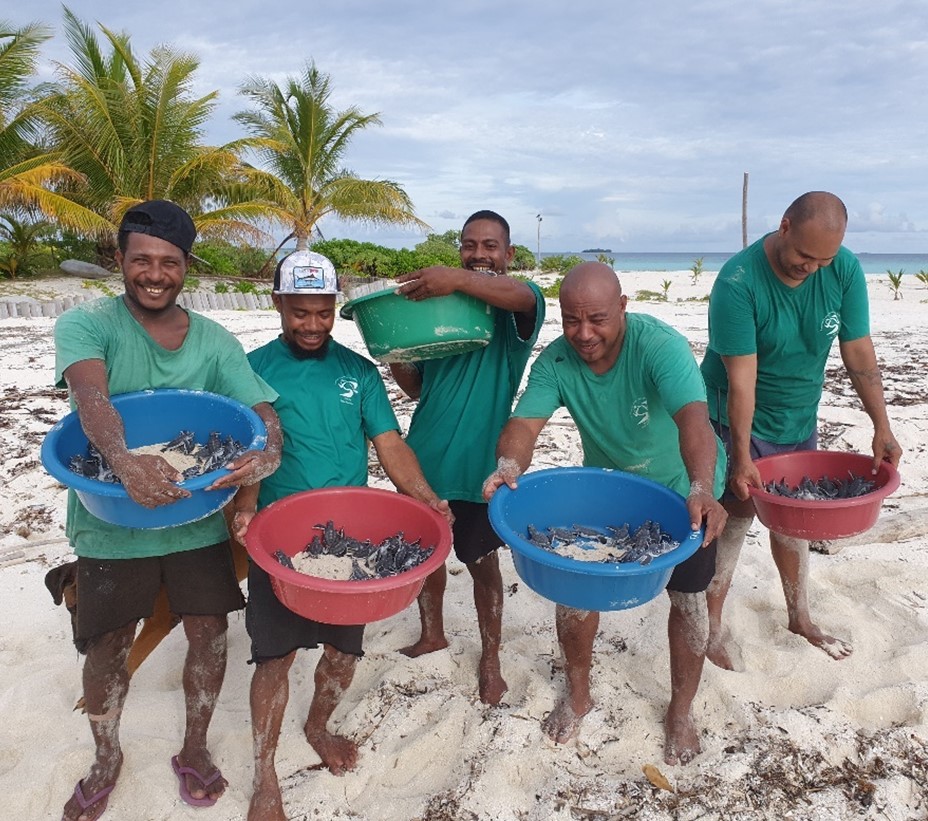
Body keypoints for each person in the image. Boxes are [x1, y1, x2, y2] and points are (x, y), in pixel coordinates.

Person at [55, 200, 282, 821]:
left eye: (169, 263)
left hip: (193, 516)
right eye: (141, 260)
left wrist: (268, 451)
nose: (154, 274)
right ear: (121, 261)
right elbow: (91, 396)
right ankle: (105, 757)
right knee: (106, 644)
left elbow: (260, 414)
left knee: (209, 633)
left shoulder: (213, 341)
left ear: (187, 267)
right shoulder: (88, 322)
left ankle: (195, 746)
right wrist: (125, 459)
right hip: (111, 519)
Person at [231, 250, 453, 821]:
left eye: (322, 313)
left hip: (349, 546)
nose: (311, 325)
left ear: (336, 309)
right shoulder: (252, 371)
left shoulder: (358, 372)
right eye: (298, 312)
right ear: (278, 304)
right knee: (273, 660)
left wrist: (424, 497)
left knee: (342, 653)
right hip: (279, 542)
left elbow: (390, 444)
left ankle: (319, 724)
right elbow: (248, 453)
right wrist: (245, 509)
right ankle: (264, 774)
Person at [483, 262, 728, 765]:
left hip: (685, 494)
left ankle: (680, 712)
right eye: (571, 320)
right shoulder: (555, 362)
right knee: (574, 595)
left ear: (623, 307)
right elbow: (524, 425)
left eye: (597, 318)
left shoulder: (658, 346)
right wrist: (509, 463)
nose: (584, 333)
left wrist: (702, 488)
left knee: (689, 604)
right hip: (610, 496)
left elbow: (694, 421)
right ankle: (577, 694)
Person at [701, 191, 903, 669]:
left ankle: (799, 616)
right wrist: (741, 455)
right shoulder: (738, 282)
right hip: (734, 414)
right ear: (784, 226)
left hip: (798, 416)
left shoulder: (844, 270)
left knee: (796, 518)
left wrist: (883, 424)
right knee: (734, 519)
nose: (810, 268)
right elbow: (741, 379)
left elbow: (857, 351)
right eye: (802, 256)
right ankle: (711, 628)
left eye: (823, 260)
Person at [387, 210, 545, 705]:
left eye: (490, 246)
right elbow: (419, 388)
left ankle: (491, 656)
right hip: (424, 460)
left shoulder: (515, 313)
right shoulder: (444, 311)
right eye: (469, 245)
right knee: (427, 556)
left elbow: (526, 295)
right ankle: (432, 632)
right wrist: (398, 358)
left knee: (482, 564)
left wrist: (454, 278)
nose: (479, 254)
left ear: (508, 253)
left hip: (481, 466)